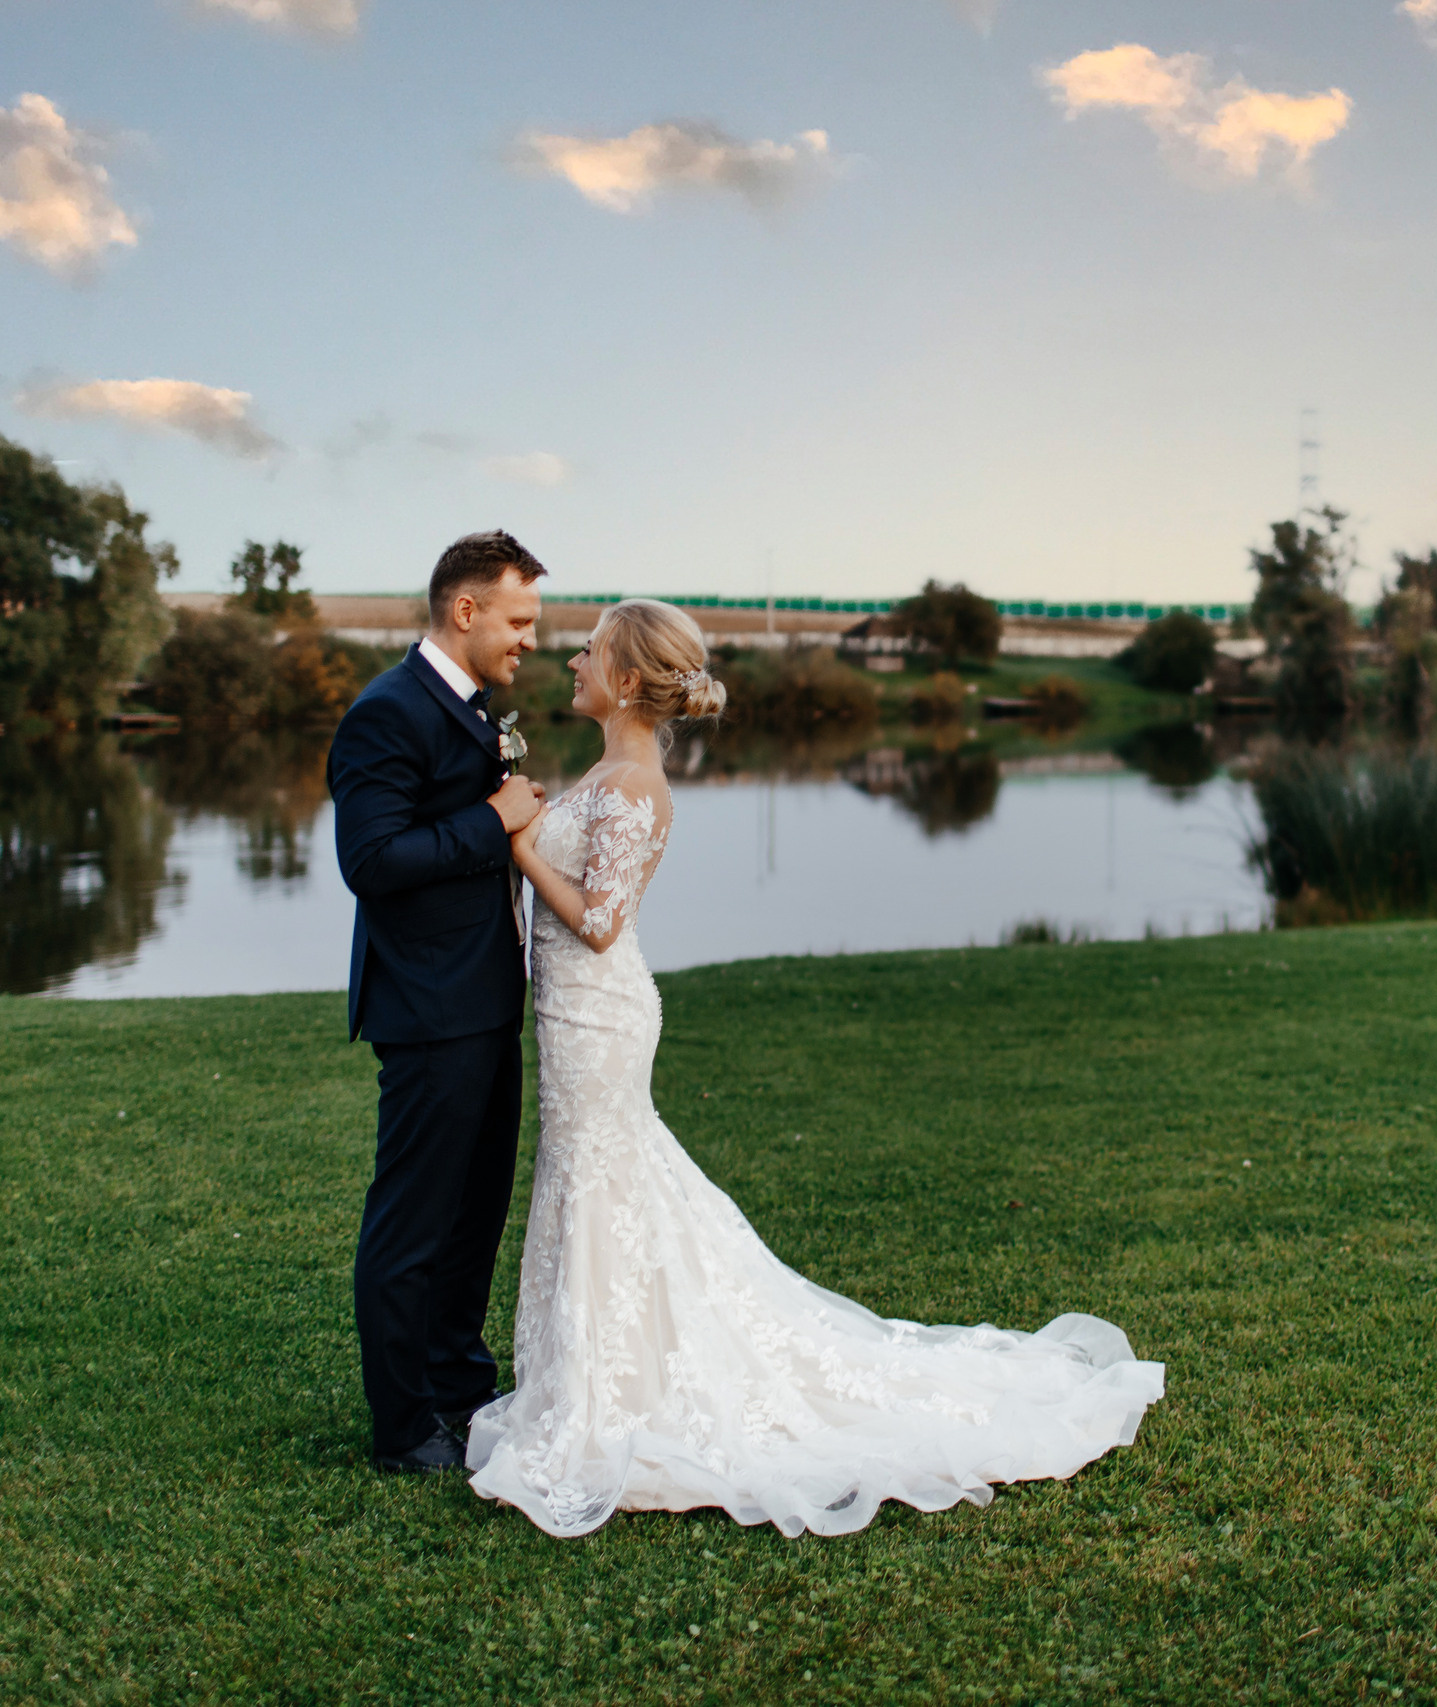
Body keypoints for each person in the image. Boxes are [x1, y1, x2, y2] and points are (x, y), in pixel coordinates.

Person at [465, 597, 1163, 1536]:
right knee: (595, 1176)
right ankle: (593, 1377)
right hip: (568, 1012)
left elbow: (599, 922)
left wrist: (516, 844)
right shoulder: (608, 770)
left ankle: (612, 1395)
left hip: (601, 1012)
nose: (574, 660)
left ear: (628, 680)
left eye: (590, 650)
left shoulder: (638, 787)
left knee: (600, 1173)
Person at [326, 531, 550, 1475]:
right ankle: (404, 1425)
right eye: (520, 620)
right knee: (414, 1223)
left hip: (485, 1001)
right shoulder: (386, 714)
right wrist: (491, 821)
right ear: (466, 610)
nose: (531, 640)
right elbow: (370, 864)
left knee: (474, 1216)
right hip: (427, 1010)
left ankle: (461, 1389)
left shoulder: (470, 707)